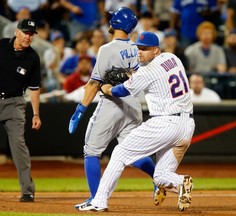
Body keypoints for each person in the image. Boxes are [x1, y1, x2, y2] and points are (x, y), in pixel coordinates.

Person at [78, 31, 195, 212]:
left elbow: (121, 92)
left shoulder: (146, 72)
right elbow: (154, 74)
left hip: (164, 123)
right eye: (138, 48)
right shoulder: (173, 58)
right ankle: (182, 181)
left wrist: (107, 88)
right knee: (161, 176)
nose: (140, 52)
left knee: (119, 153)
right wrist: (133, 73)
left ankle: (99, 201)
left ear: (156, 50)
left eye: (145, 49)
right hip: (187, 126)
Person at [68, 7, 161, 208]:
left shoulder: (107, 49)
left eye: (112, 18)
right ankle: (158, 179)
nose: (109, 21)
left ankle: (96, 199)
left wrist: (80, 110)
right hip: (133, 104)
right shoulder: (139, 48)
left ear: (118, 23)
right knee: (133, 153)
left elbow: (94, 84)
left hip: (112, 104)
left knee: (91, 151)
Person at [0, 19, 42, 202]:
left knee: (18, 145)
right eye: (25, 32)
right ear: (17, 32)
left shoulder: (32, 57)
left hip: (15, 103)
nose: (28, 37)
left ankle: (27, 190)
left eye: (31, 34)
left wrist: (36, 114)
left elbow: (34, 88)